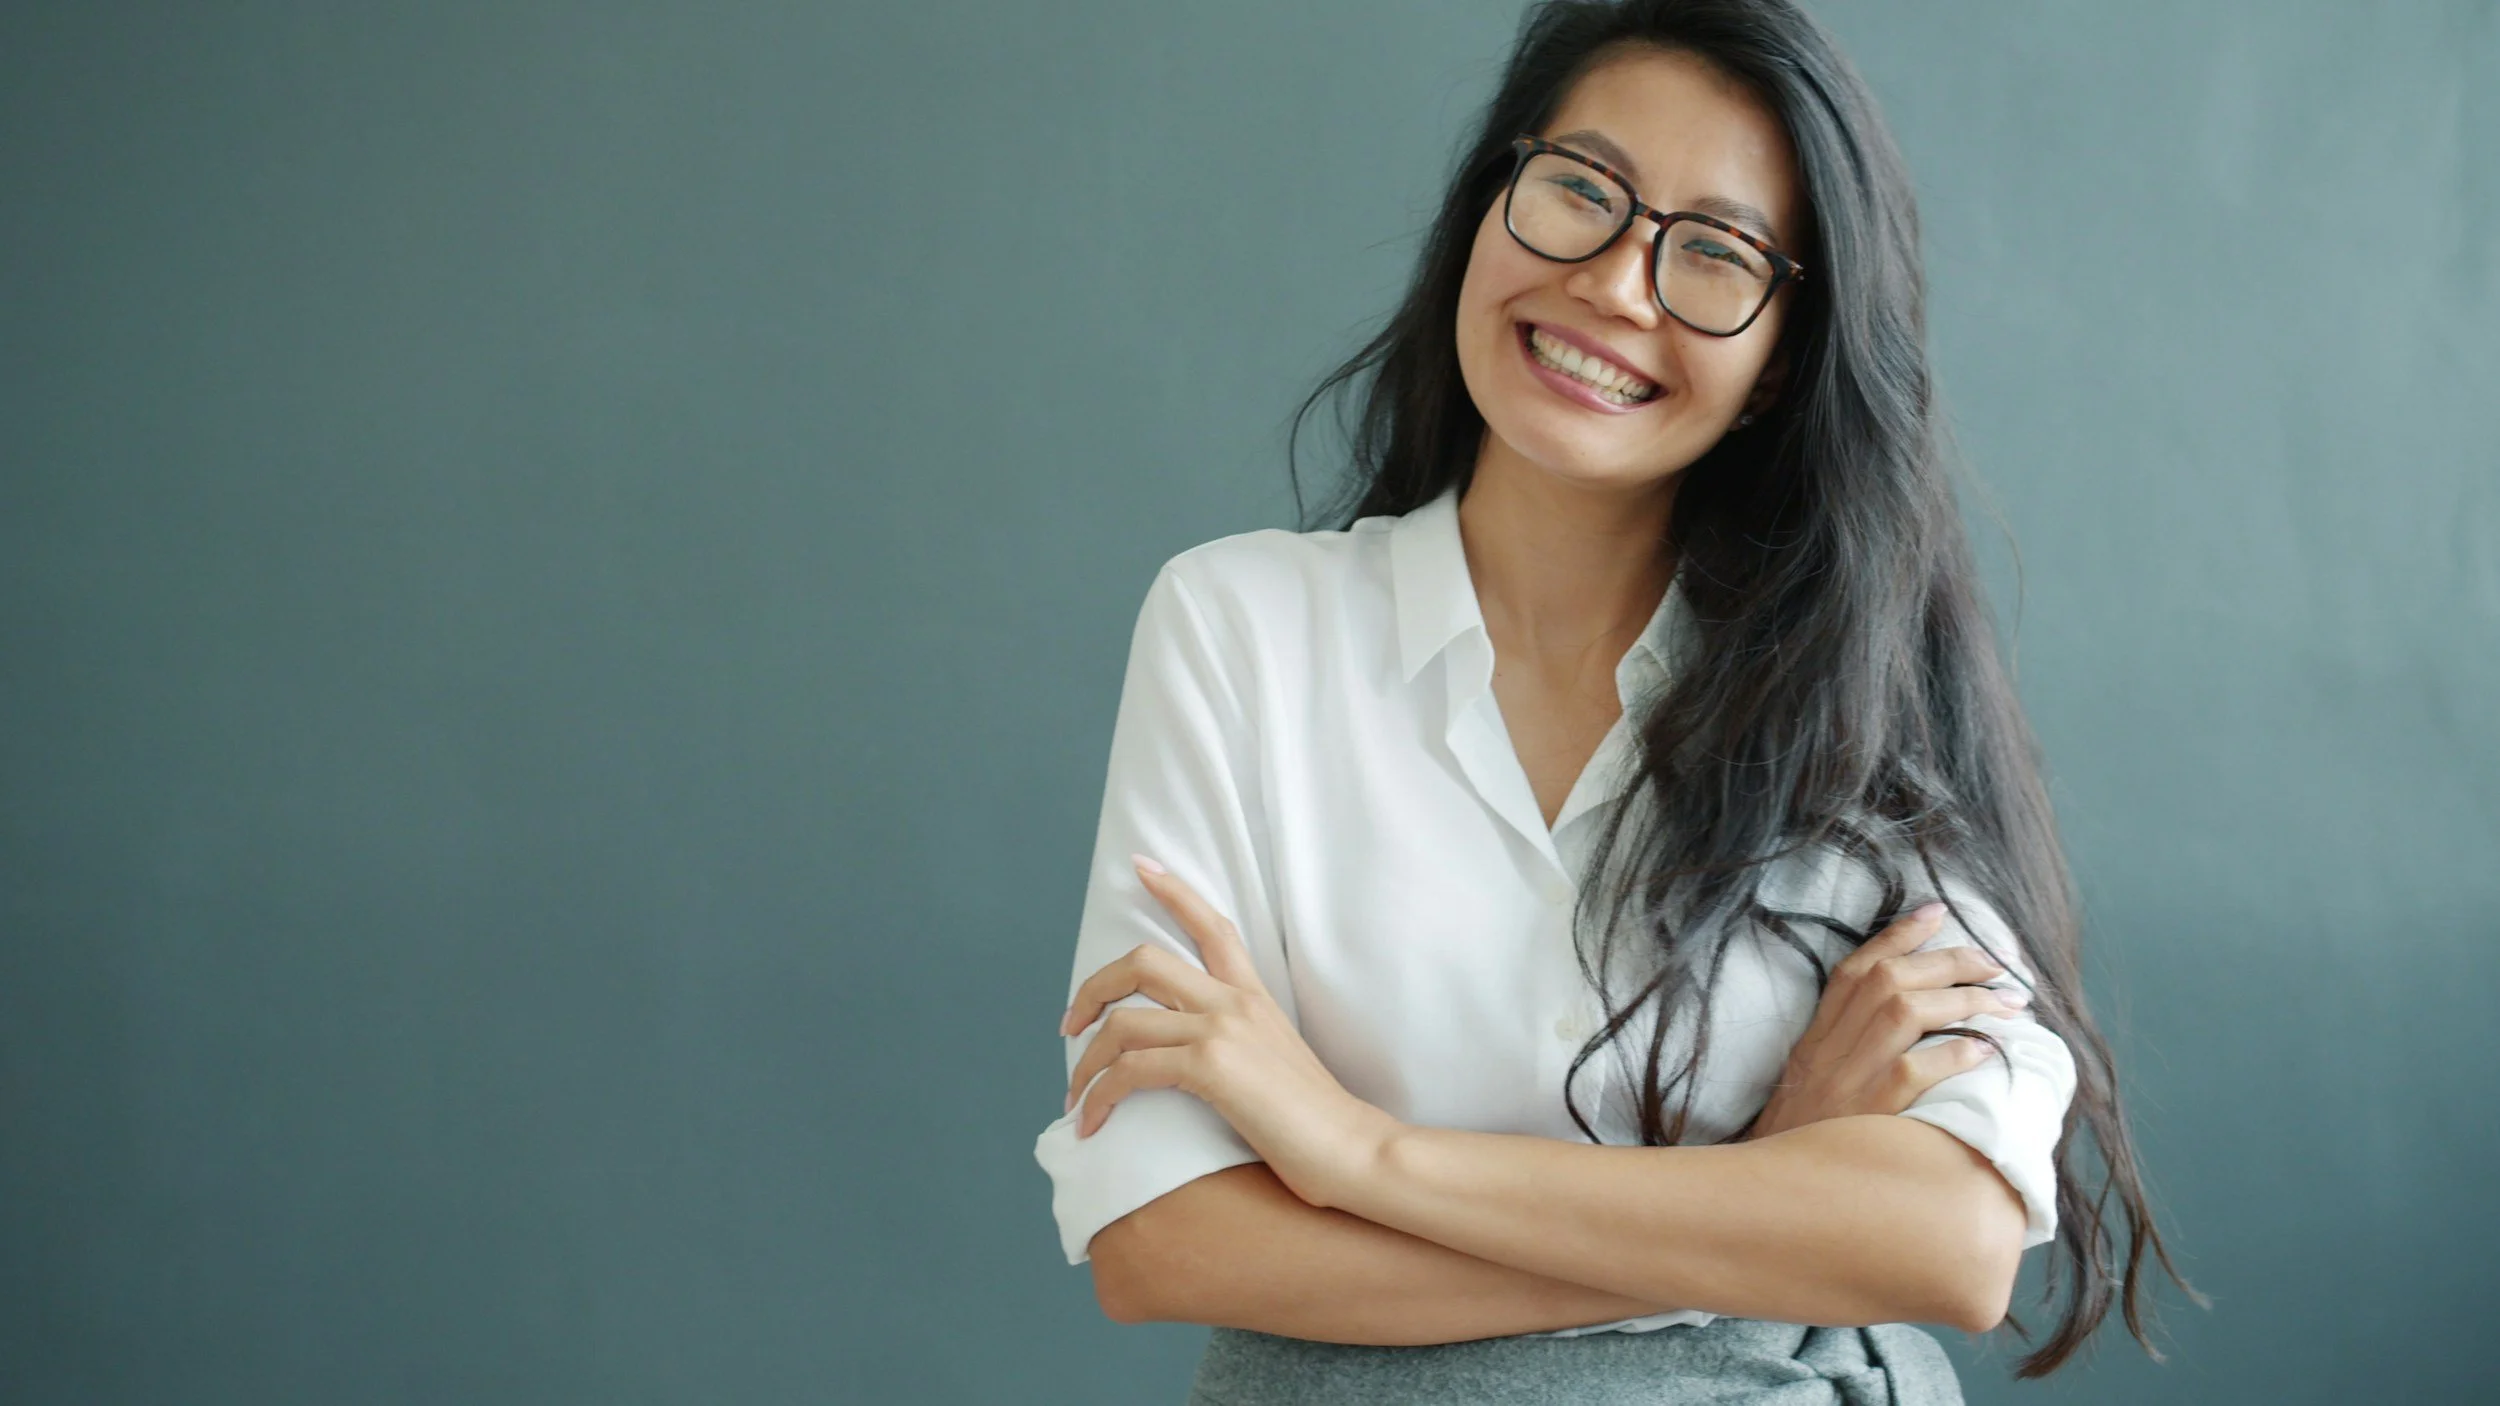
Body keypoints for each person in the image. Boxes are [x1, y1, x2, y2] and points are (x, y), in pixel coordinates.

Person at [1034, 0, 2199, 1399]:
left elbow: (1947, 1240)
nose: (1617, 285)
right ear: (1489, 206)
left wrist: (1359, 1155)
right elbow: (1163, 1240)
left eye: (1713, 252)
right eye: (1580, 189)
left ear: (1782, 357)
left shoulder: (1861, 691)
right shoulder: (1241, 628)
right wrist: (1761, 1193)